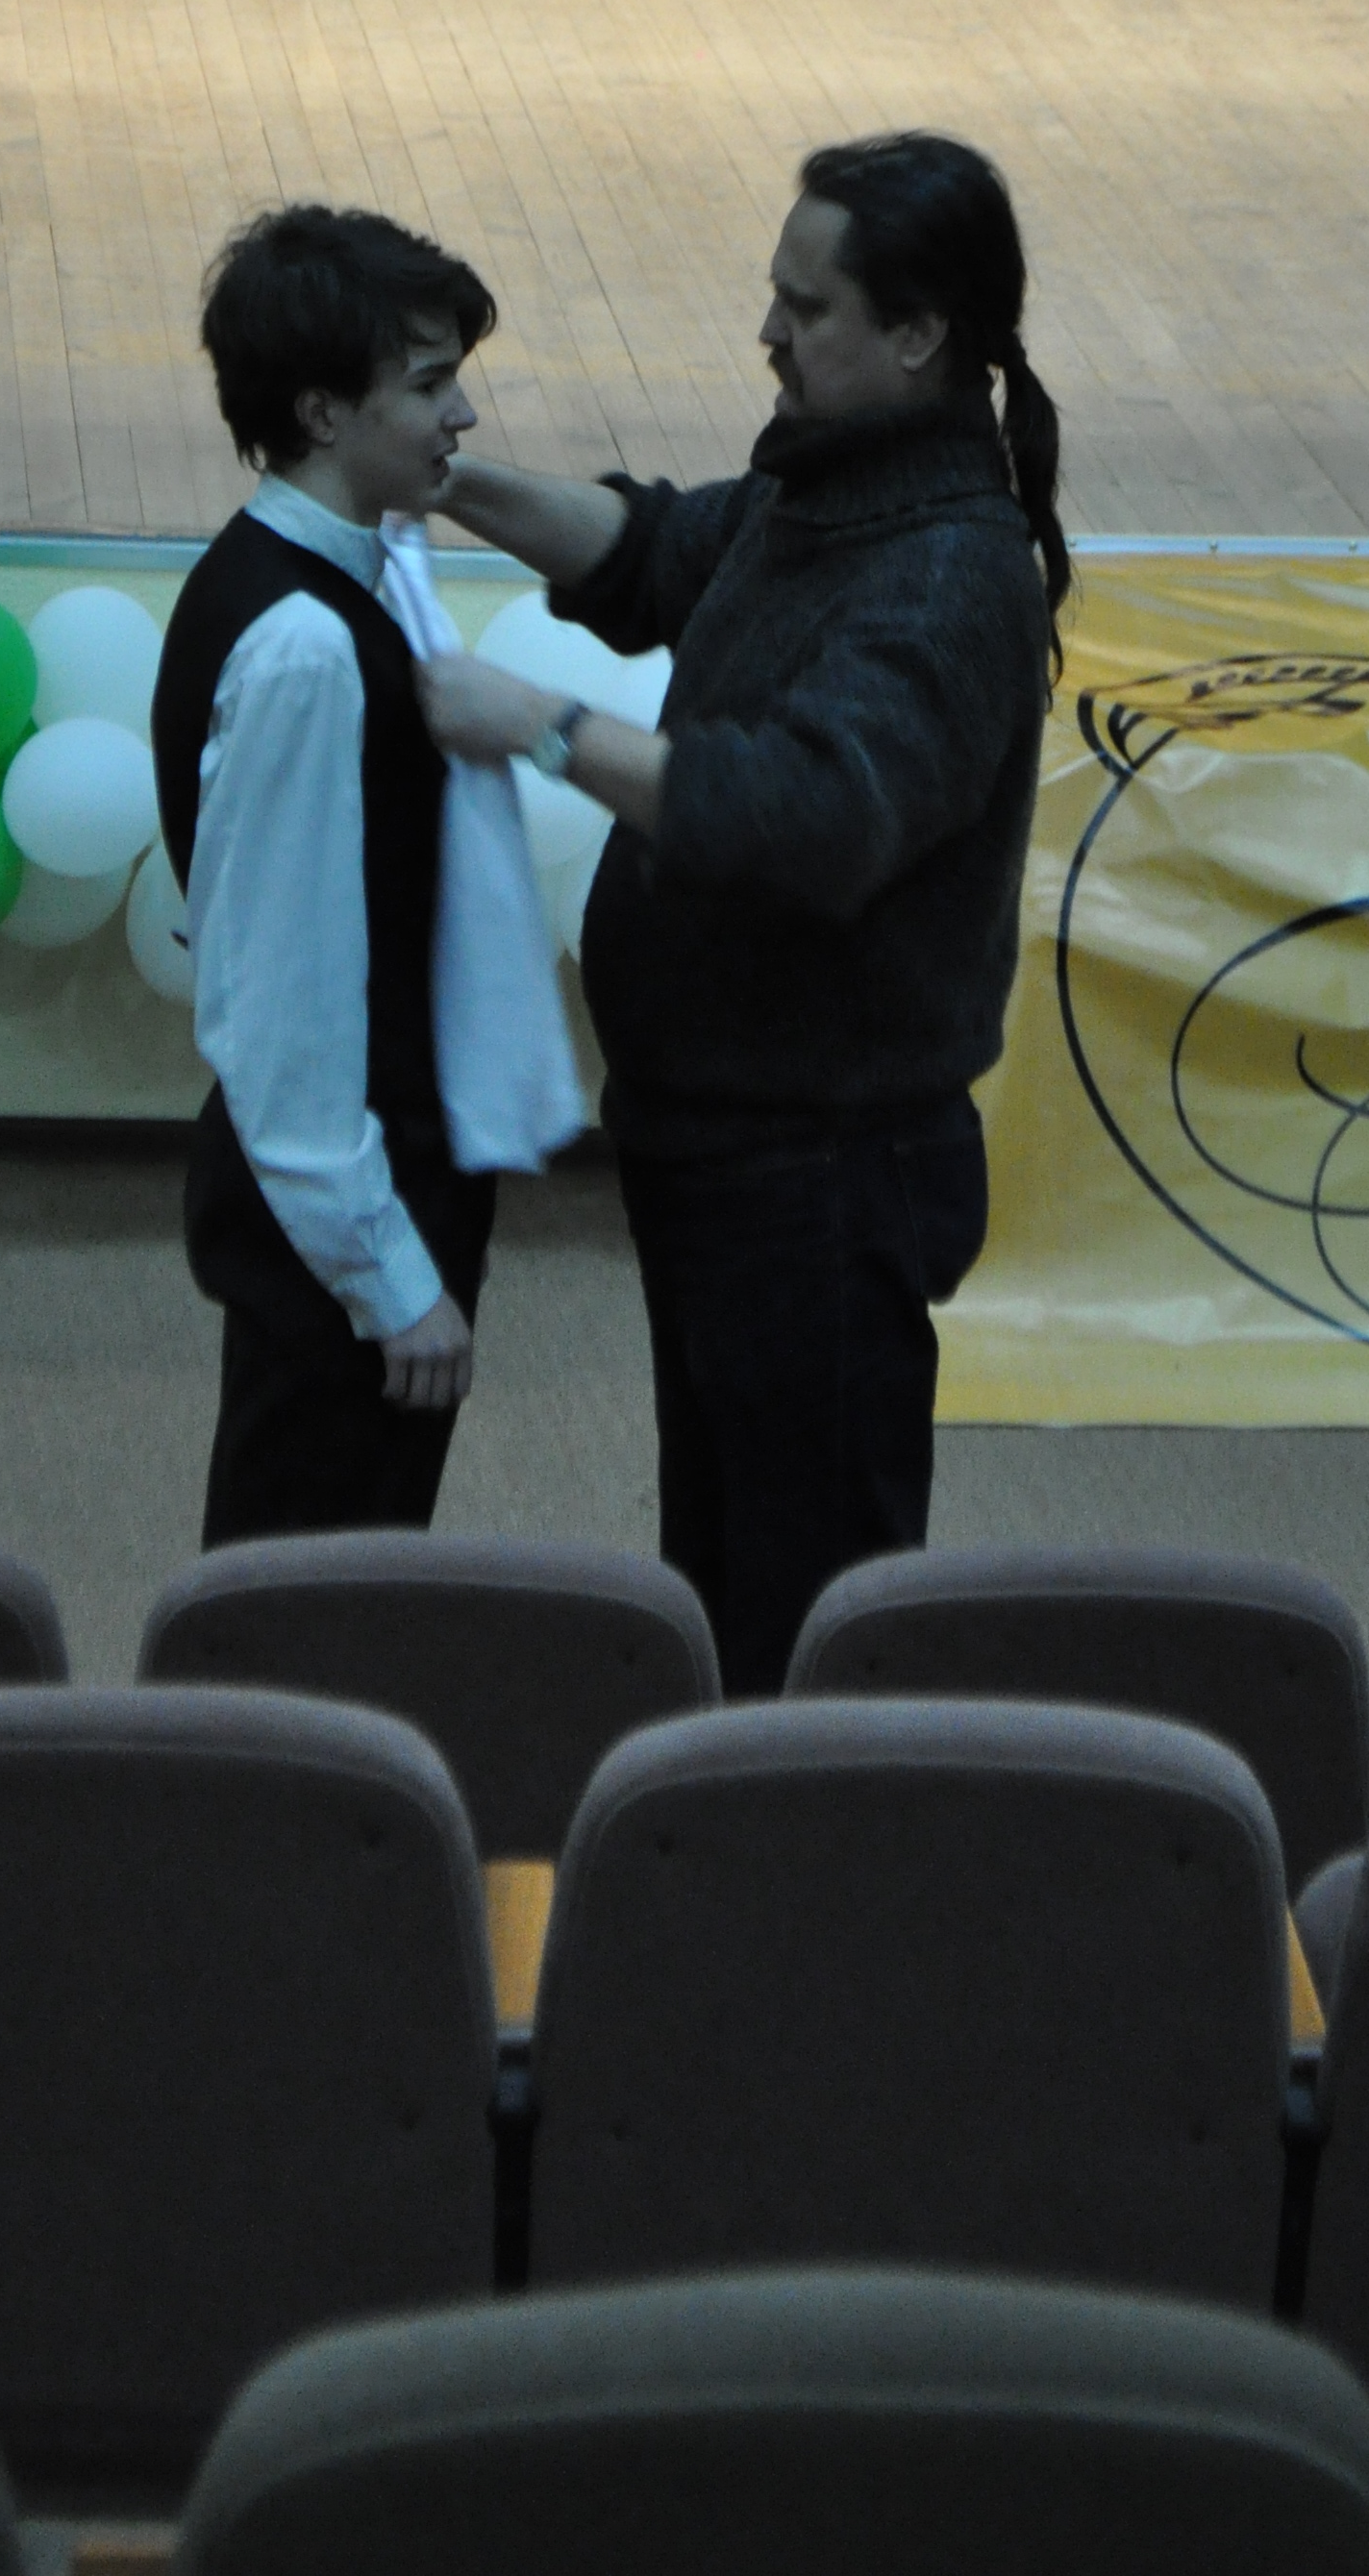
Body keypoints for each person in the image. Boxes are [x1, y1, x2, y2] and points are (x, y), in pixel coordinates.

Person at [421, 131, 1071, 1694]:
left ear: (917, 335)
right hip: (728, 1151)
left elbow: (806, 815)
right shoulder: (831, 483)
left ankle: (804, 1843)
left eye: (808, 305)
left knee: (808, 1615)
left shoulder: (949, 576)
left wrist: (541, 728)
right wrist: (442, 479)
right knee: (721, 1581)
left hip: (822, 1181)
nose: (768, 330)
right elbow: (661, 552)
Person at [153, 202, 576, 1547]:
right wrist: (388, 1273)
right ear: (324, 412)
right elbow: (279, 1005)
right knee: (306, 1602)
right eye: (431, 384)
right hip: (348, 1222)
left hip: (377, 1188)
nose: (463, 416)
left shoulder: (344, 576)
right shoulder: (304, 648)